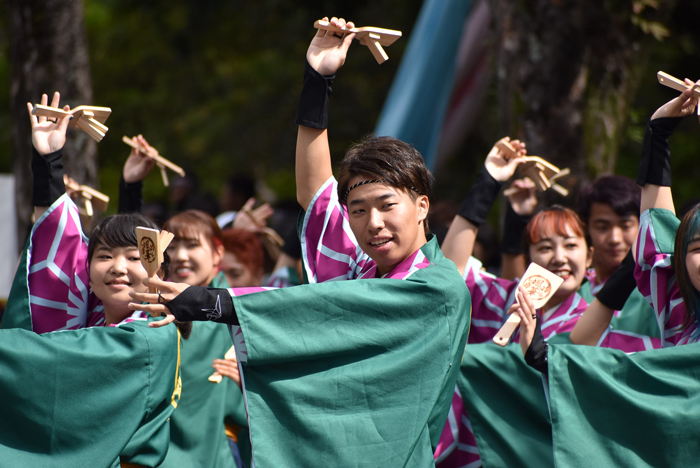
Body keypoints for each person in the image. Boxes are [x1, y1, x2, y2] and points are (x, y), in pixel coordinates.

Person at [129, 16, 470, 468]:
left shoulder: (438, 290)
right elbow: (316, 195)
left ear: (422, 206)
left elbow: (332, 308)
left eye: (388, 205)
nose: (374, 223)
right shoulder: (363, 269)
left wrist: (211, 303)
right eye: (360, 209)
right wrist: (318, 79)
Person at [0, 92, 185, 467]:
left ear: (158, 273)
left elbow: (50, 357)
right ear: (88, 275)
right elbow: (57, 244)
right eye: (103, 257)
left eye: (133, 258)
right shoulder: (95, 317)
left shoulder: (151, 333)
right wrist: (49, 159)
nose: (117, 267)